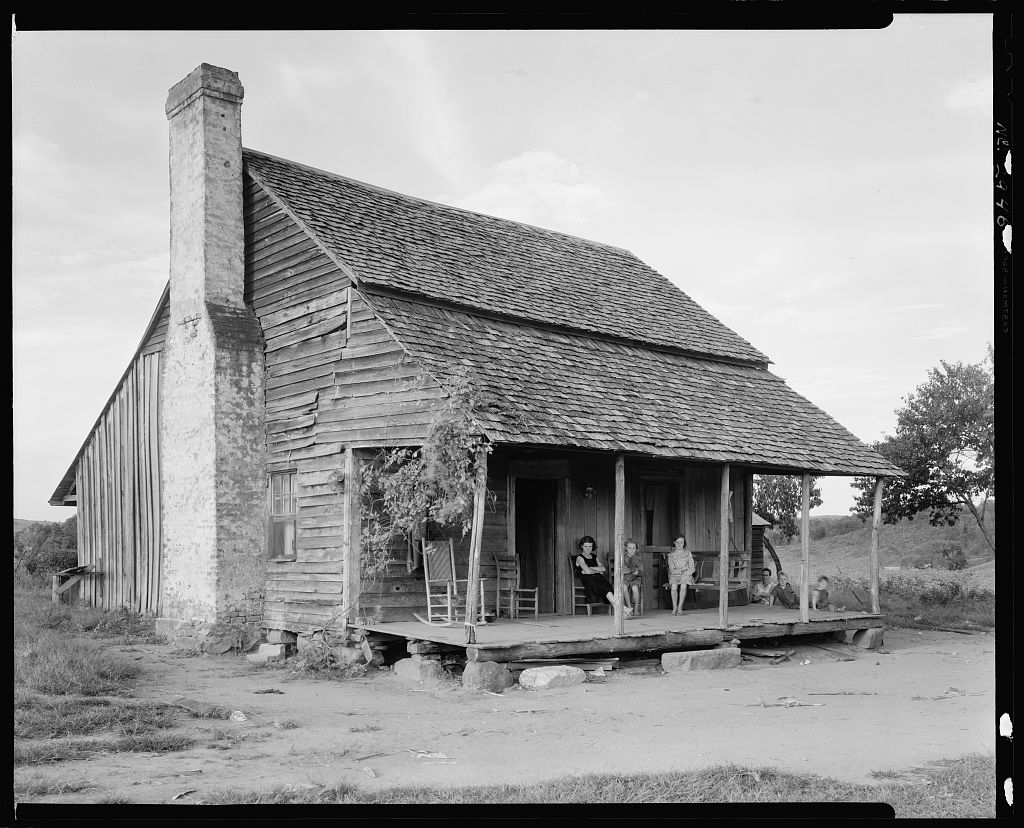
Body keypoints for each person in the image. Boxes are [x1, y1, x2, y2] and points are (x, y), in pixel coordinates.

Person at [575, 536, 632, 617]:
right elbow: (588, 572)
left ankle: (622, 611)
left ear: (592, 546)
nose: (588, 549)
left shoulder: (594, 556)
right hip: (589, 581)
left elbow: (603, 568)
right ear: (581, 546)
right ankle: (623, 609)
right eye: (585, 546)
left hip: (599, 579)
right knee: (606, 589)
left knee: (608, 588)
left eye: (590, 546)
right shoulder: (580, 558)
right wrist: (598, 571)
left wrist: (591, 568)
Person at [664, 535, 695, 615]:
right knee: (674, 587)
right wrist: (683, 569)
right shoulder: (671, 555)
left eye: (681, 542)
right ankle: (674, 607)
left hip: (686, 575)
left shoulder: (688, 553)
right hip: (675, 576)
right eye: (677, 542)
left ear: (684, 543)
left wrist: (685, 572)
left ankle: (680, 607)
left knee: (683, 585)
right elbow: (672, 570)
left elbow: (692, 568)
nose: (679, 544)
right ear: (674, 543)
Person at [620, 538, 644, 616]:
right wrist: (634, 569)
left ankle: (636, 607)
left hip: (635, 578)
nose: (632, 550)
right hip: (625, 578)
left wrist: (635, 571)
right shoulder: (622, 558)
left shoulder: (638, 559)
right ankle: (629, 607)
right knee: (623, 587)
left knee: (635, 588)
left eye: (634, 548)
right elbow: (622, 570)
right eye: (629, 548)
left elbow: (641, 571)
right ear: (626, 548)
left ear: (636, 549)